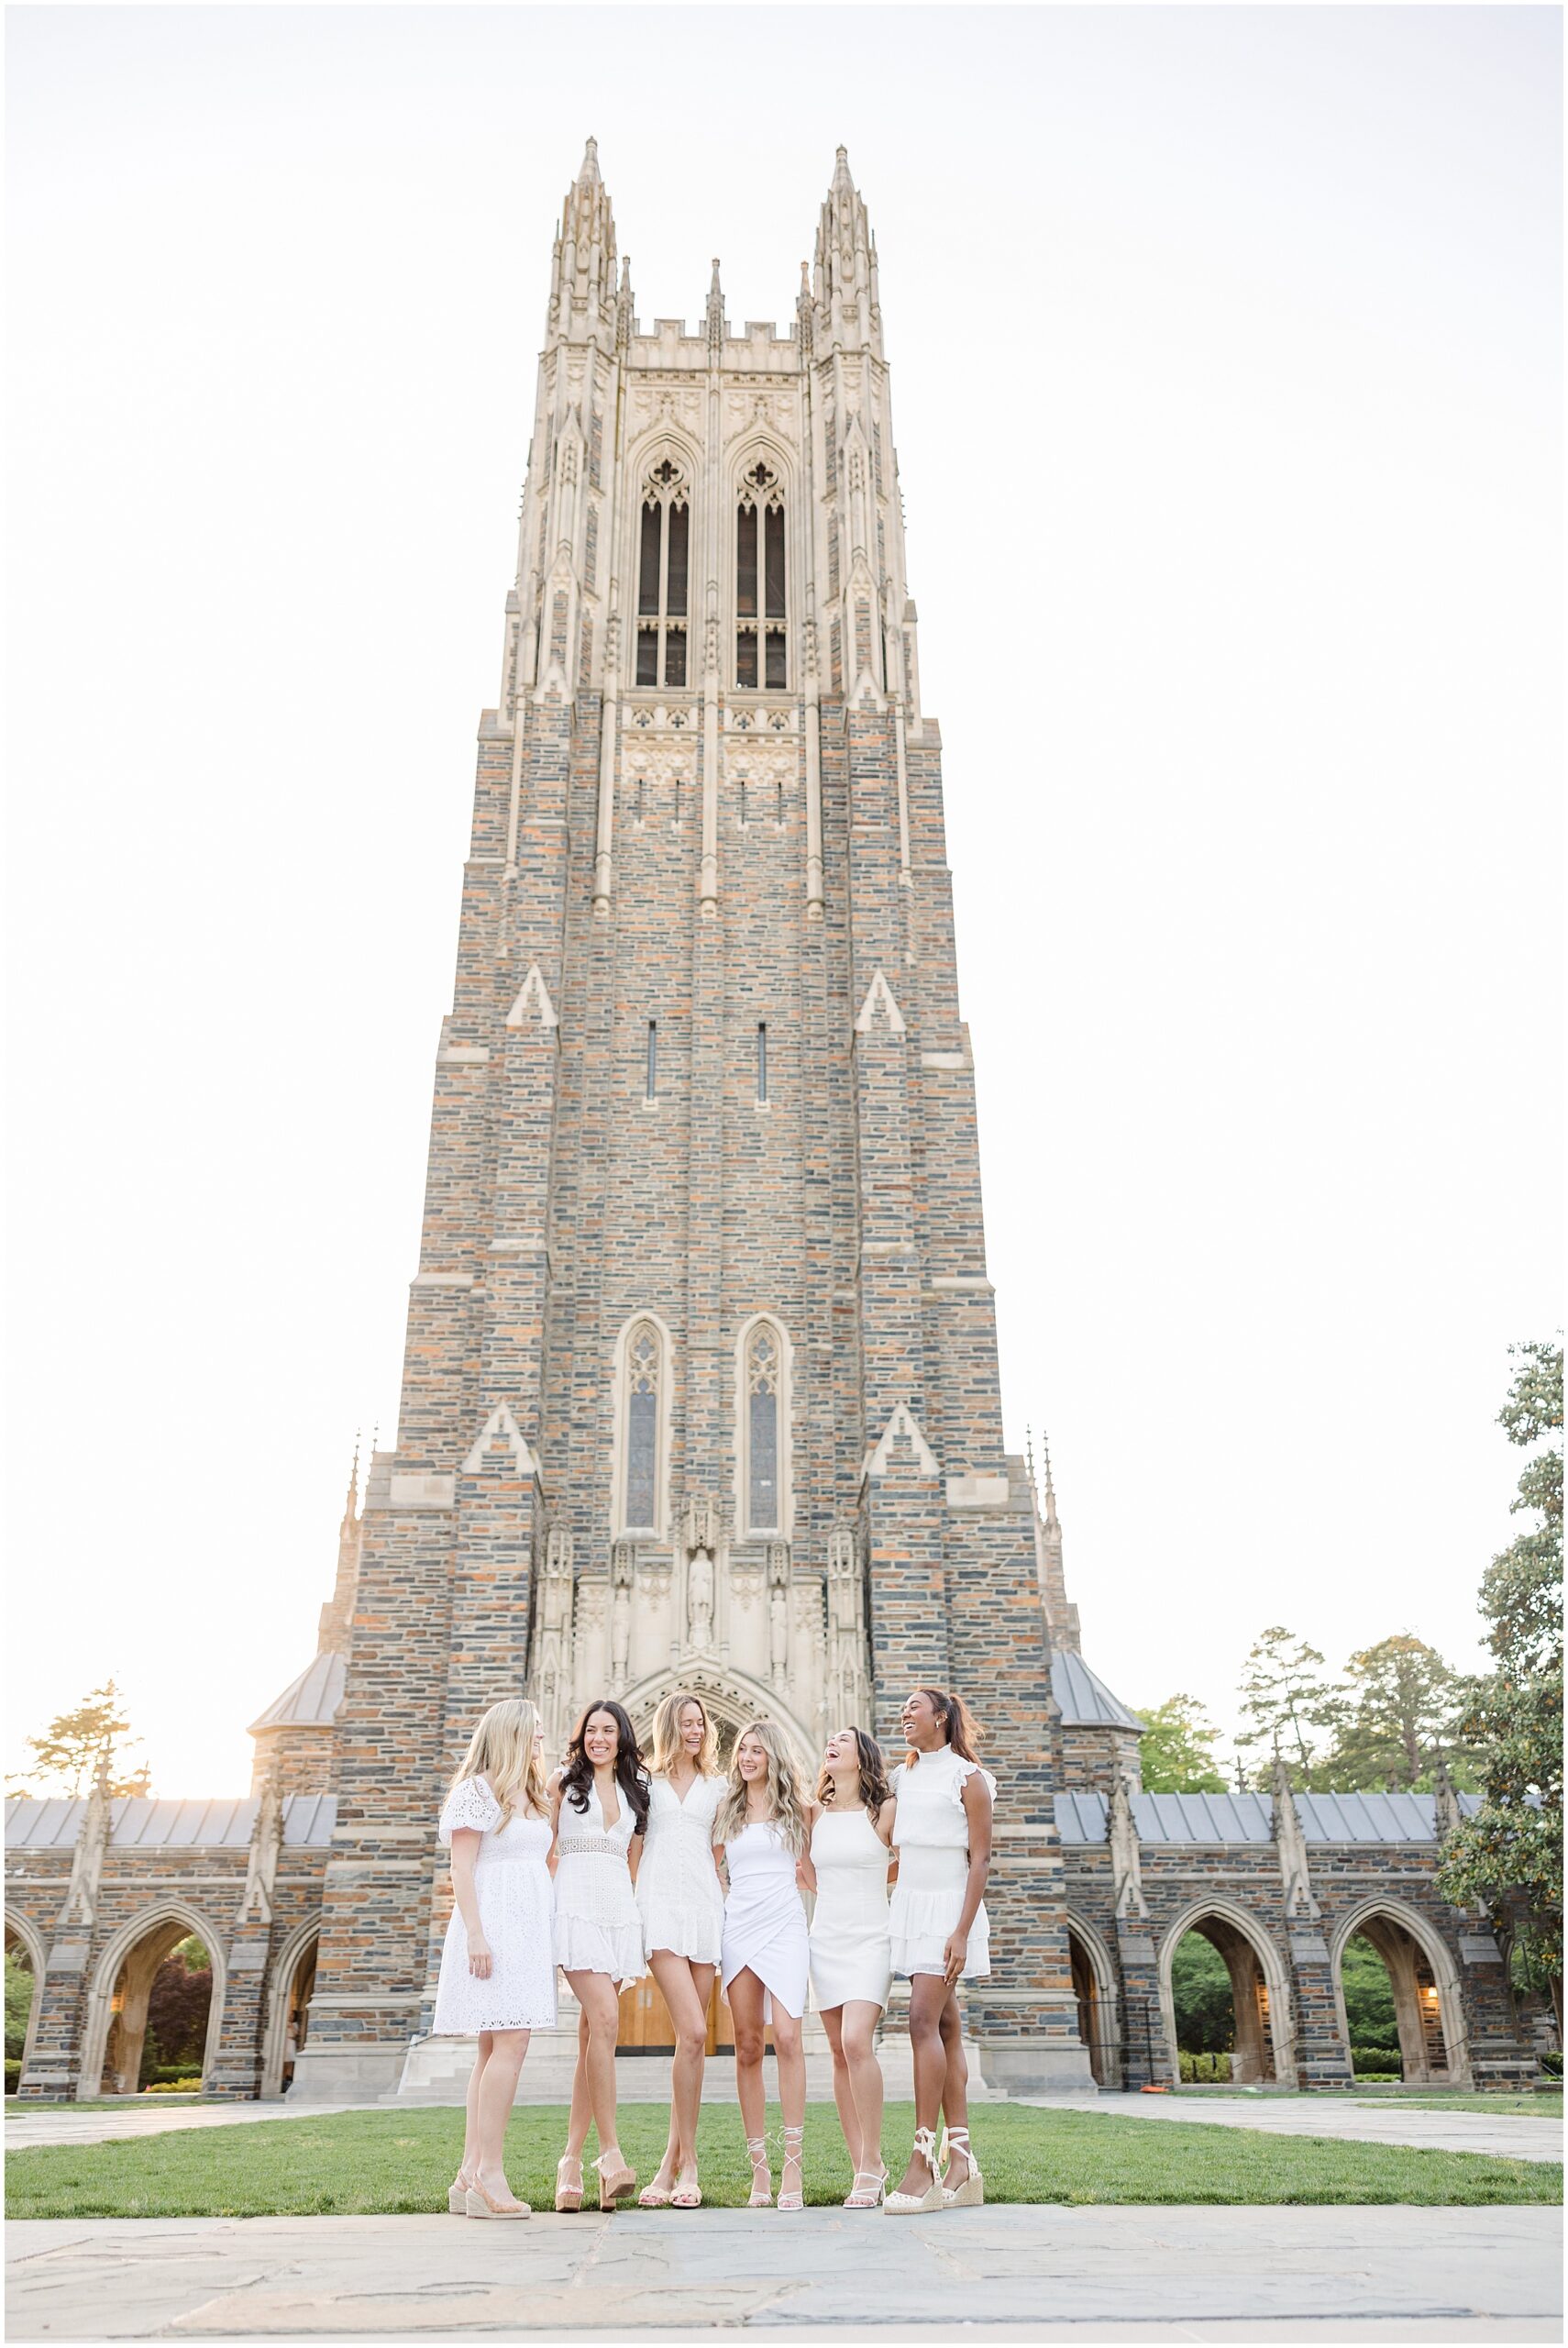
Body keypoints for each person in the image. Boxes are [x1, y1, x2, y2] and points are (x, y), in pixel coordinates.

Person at [432, 1696, 557, 2219]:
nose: (540, 1741)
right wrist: (477, 1936)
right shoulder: (474, 1793)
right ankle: (490, 2174)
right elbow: (462, 1869)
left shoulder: (530, 1795)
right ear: (510, 1734)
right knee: (512, 2042)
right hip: (493, 1931)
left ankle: (468, 2174)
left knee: (492, 2049)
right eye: (534, 1732)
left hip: (528, 1932)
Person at [884, 1687, 994, 2216]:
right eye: (903, 1709)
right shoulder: (902, 1778)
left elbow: (980, 1861)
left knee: (920, 2023)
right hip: (909, 1906)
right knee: (946, 2029)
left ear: (942, 1718)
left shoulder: (970, 1779)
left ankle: (922, 2158)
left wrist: (961, 1931)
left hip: (948, 1913)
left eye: (914, 1708)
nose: (905, 1714)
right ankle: (964, 2159)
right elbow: (896, 1850)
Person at [549, 1698, 649, 2211]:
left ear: (622, 1736)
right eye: (592, 1730)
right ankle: (610, 2155)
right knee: (606, 2021)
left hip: (616, 1912)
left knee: (594, 2034)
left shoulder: (634, 1791)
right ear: (581, 1736)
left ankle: (570, 2162)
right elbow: (542, 1851)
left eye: (609, 1731)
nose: (599, 1739)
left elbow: (633, 1862)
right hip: (575, 1908)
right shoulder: (563, 1787)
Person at [714, 1719, 813, 2211]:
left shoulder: (801, 1811)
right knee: (749, 2045)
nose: (746, 1757)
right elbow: (709, 1868)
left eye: (756, 1750)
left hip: (786, 1926)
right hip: (740, 1927)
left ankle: (793, 2165)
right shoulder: (725, 1811)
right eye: (742, 1750)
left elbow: (818, 1872)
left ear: (773, 1756)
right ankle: (760, 2172)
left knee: (790, 2038)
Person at [635, 1690, 726, 2210]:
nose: (695, 1730)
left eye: (700, 1723)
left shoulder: (718, 1785)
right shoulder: (644, 1782)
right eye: (687, 1723)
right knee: (691, 2030)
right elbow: (633, 1843)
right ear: (670, 1727)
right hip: (660, 1909)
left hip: (704, 1909)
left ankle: (670, 2167)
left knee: (690, 2045)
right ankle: (689, 2162)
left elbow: (720, 1846)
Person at [810, 1725, 896, 2208]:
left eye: (844, 1738)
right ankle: (862, 2164)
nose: (833, 1743)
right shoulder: (815, 1813)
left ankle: (874, 2159)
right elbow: (805, 1869)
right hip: (825, 1938)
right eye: (831, 1739)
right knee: (839, 2055)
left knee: (855, 2041)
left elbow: (908, 1860)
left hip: (870, 1937)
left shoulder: (883, 1811)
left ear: (862, 1757)